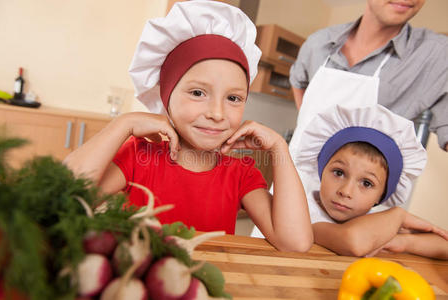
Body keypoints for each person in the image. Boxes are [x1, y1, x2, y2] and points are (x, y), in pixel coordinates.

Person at [63, 1, 313, 252]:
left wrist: (280, 147)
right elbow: (63, 200)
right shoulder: (139, 157)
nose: (217, 113)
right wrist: (123, 123)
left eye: (233, 98)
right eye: (197, 93)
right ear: (166, 97)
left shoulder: (240, 174)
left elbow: (295, 243)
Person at [288, 0, 448, 154]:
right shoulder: (318, 42)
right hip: (295, 172)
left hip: (362, 181)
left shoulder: (437, 55)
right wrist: (308, 124)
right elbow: (298, 81)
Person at [294, 104, 448, 259]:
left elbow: (444, 245)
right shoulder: (304, 212)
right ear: (322, 170)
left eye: (367, 183)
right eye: (339, 173)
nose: (346, 191)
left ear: (382, 194)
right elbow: (353, 242)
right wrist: (399, 215)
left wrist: (403, 241)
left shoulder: (375, 219)